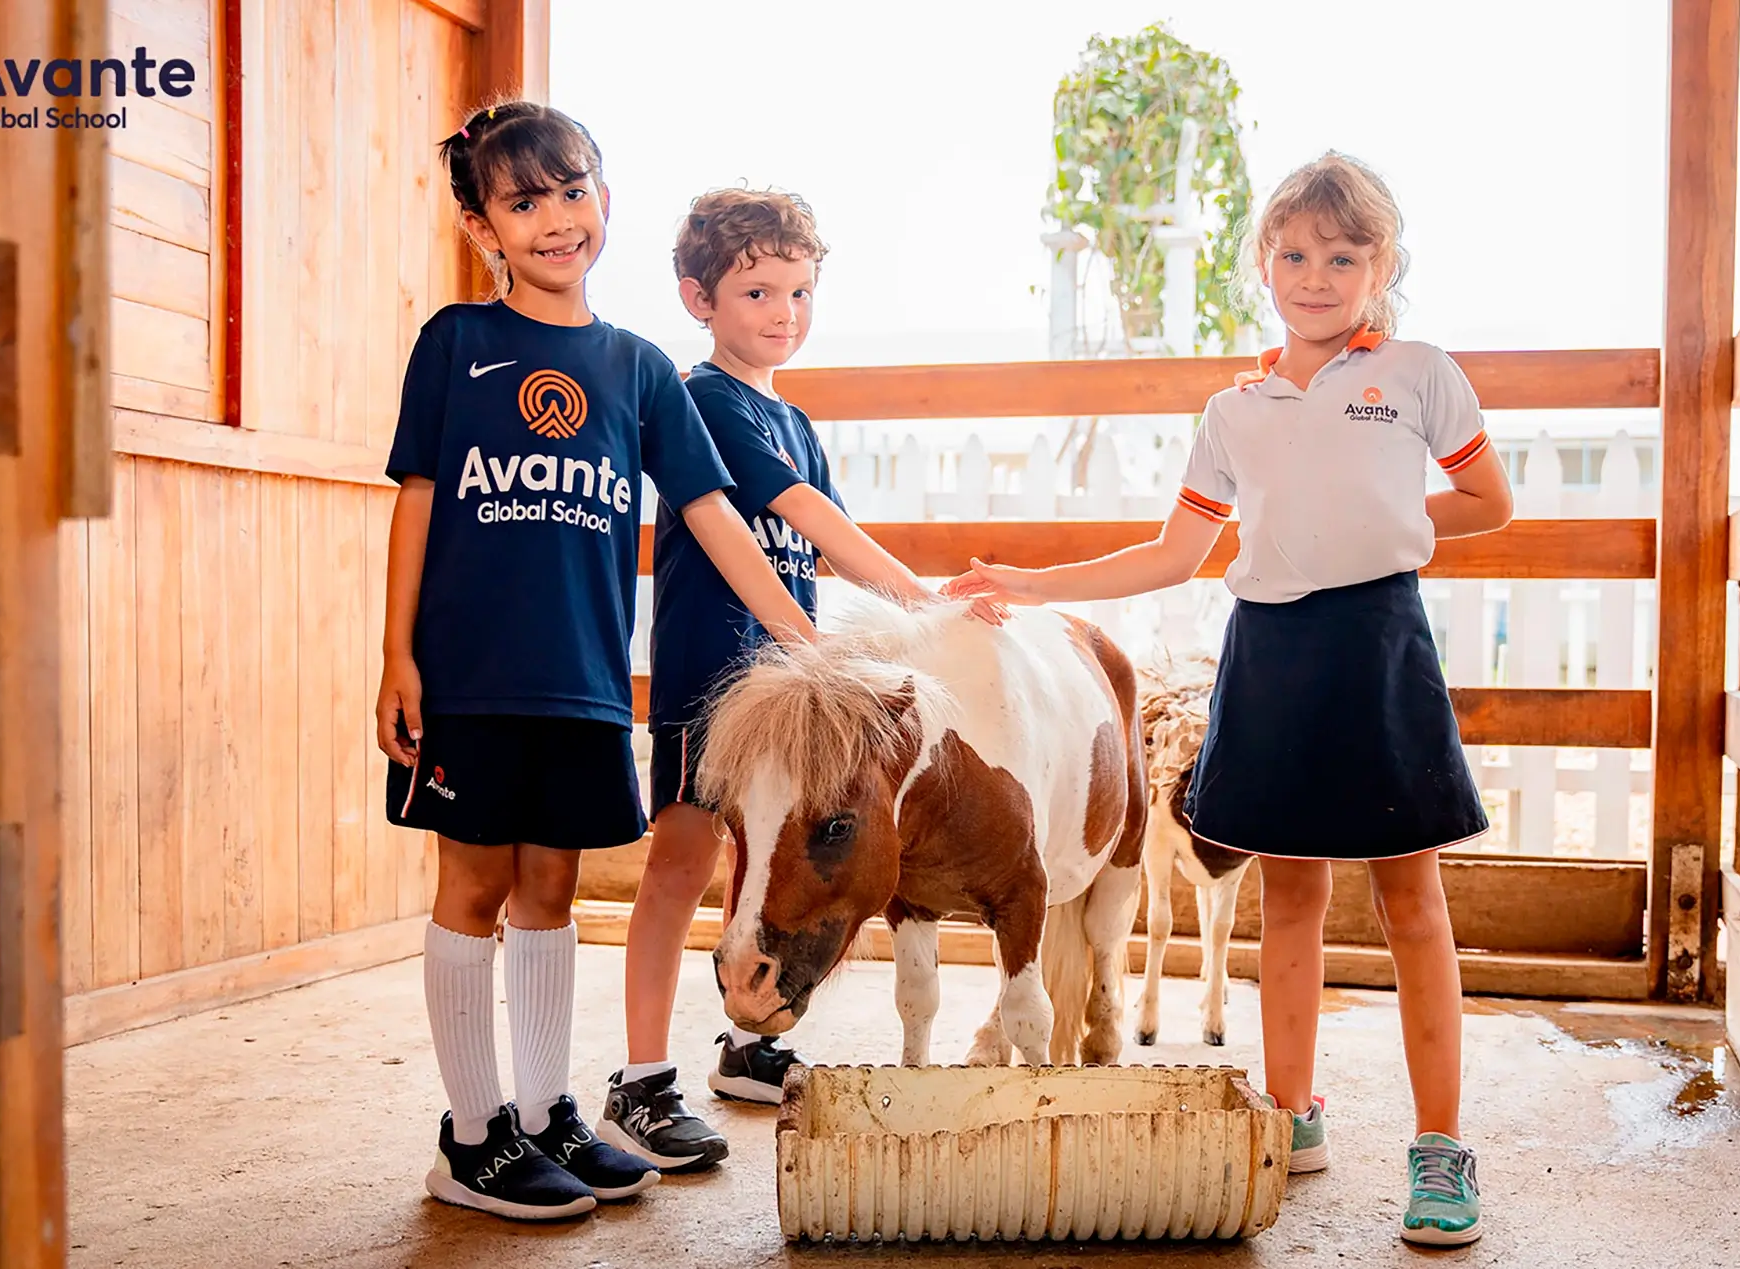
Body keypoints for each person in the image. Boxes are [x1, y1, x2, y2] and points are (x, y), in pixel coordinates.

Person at [945, 152, 1510, 1249]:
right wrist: (1028, 584)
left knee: (1414, 905)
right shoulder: (1234, 410)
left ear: (1380, 262)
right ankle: (1293, 1113)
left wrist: (1388, 531)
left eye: (1343, 256)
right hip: (1273, 653)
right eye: (1294, 253)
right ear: (1263, 262)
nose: (1316, 274)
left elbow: (1490, 497)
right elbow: (1174, 553)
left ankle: (1441, 1149)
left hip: (1380, 642)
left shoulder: (1419, 372)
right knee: (1287, 899)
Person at [376, 102, 818, 1223]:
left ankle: (541, 1110)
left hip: (581, 680)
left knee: (554, 888)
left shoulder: (635, 371)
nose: (555, 219)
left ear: (604, 202)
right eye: (524, 202)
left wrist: (810, 640)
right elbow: (419, 501)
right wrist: (397, 656)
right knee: (473, 886)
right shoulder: (457, 345)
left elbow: (716, 514)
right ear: (485, 226)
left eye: (572, 192)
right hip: (470, 677)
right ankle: (471, 1137)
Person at [593, 188, 1003, 1172]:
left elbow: (818, 553)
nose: (783, 312)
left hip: (792, 693)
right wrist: (915, 589)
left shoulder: (796, 416)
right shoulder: (704, 399)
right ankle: (641, 1083)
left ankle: (749, 1043)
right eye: (757, 291)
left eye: (800, 291)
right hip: (713, 682)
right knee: (681, 867)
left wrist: (916, 613)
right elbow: (799, 511)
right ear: (700, 297)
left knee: (763, 871)